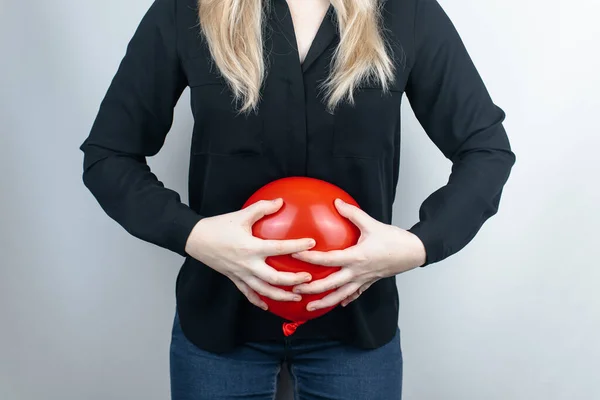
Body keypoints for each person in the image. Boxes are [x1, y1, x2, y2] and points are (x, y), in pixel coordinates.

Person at [79, 0, 515, 398]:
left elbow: (486, 150)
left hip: (355, 331)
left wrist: (418, 246)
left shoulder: (407, 11)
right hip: (219, 326)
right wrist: (194, 236)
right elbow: (109, 155)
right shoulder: (187, 10)